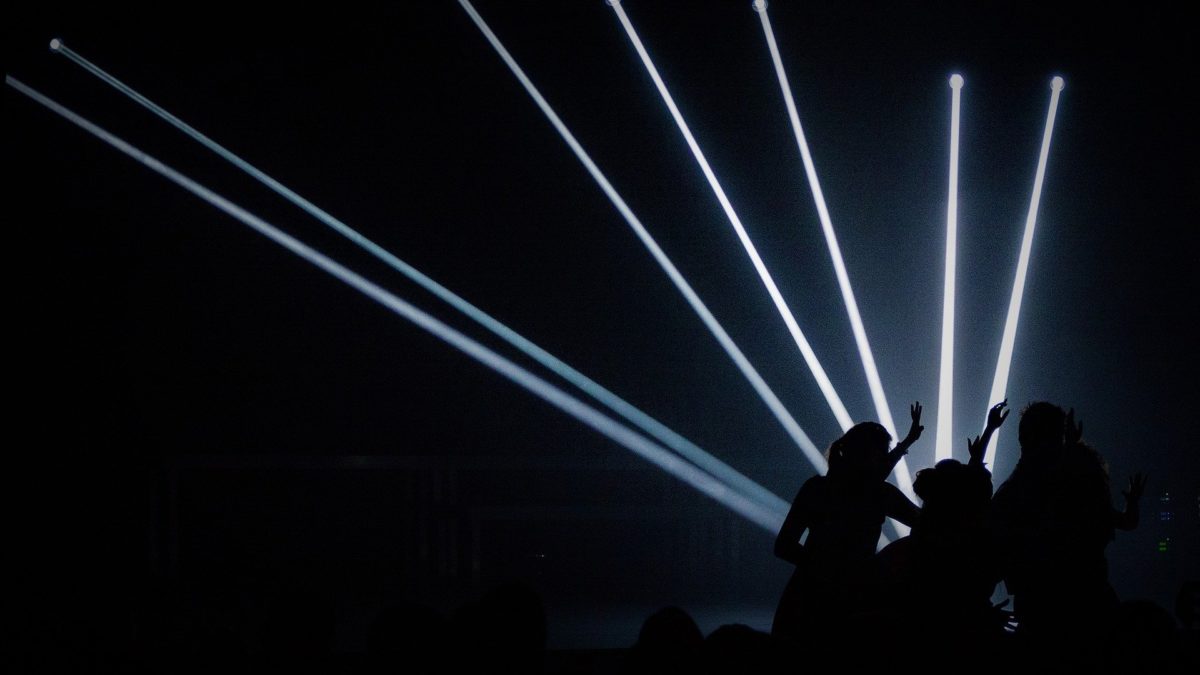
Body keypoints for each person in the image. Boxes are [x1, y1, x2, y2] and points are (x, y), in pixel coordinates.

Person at [771, 403, 923, 644]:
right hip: (852, 600)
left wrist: (821, 567)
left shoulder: (818, 488)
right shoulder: (878, 493)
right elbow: (930, 524)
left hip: (806, 601)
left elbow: (784, 545)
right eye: (880, 453)